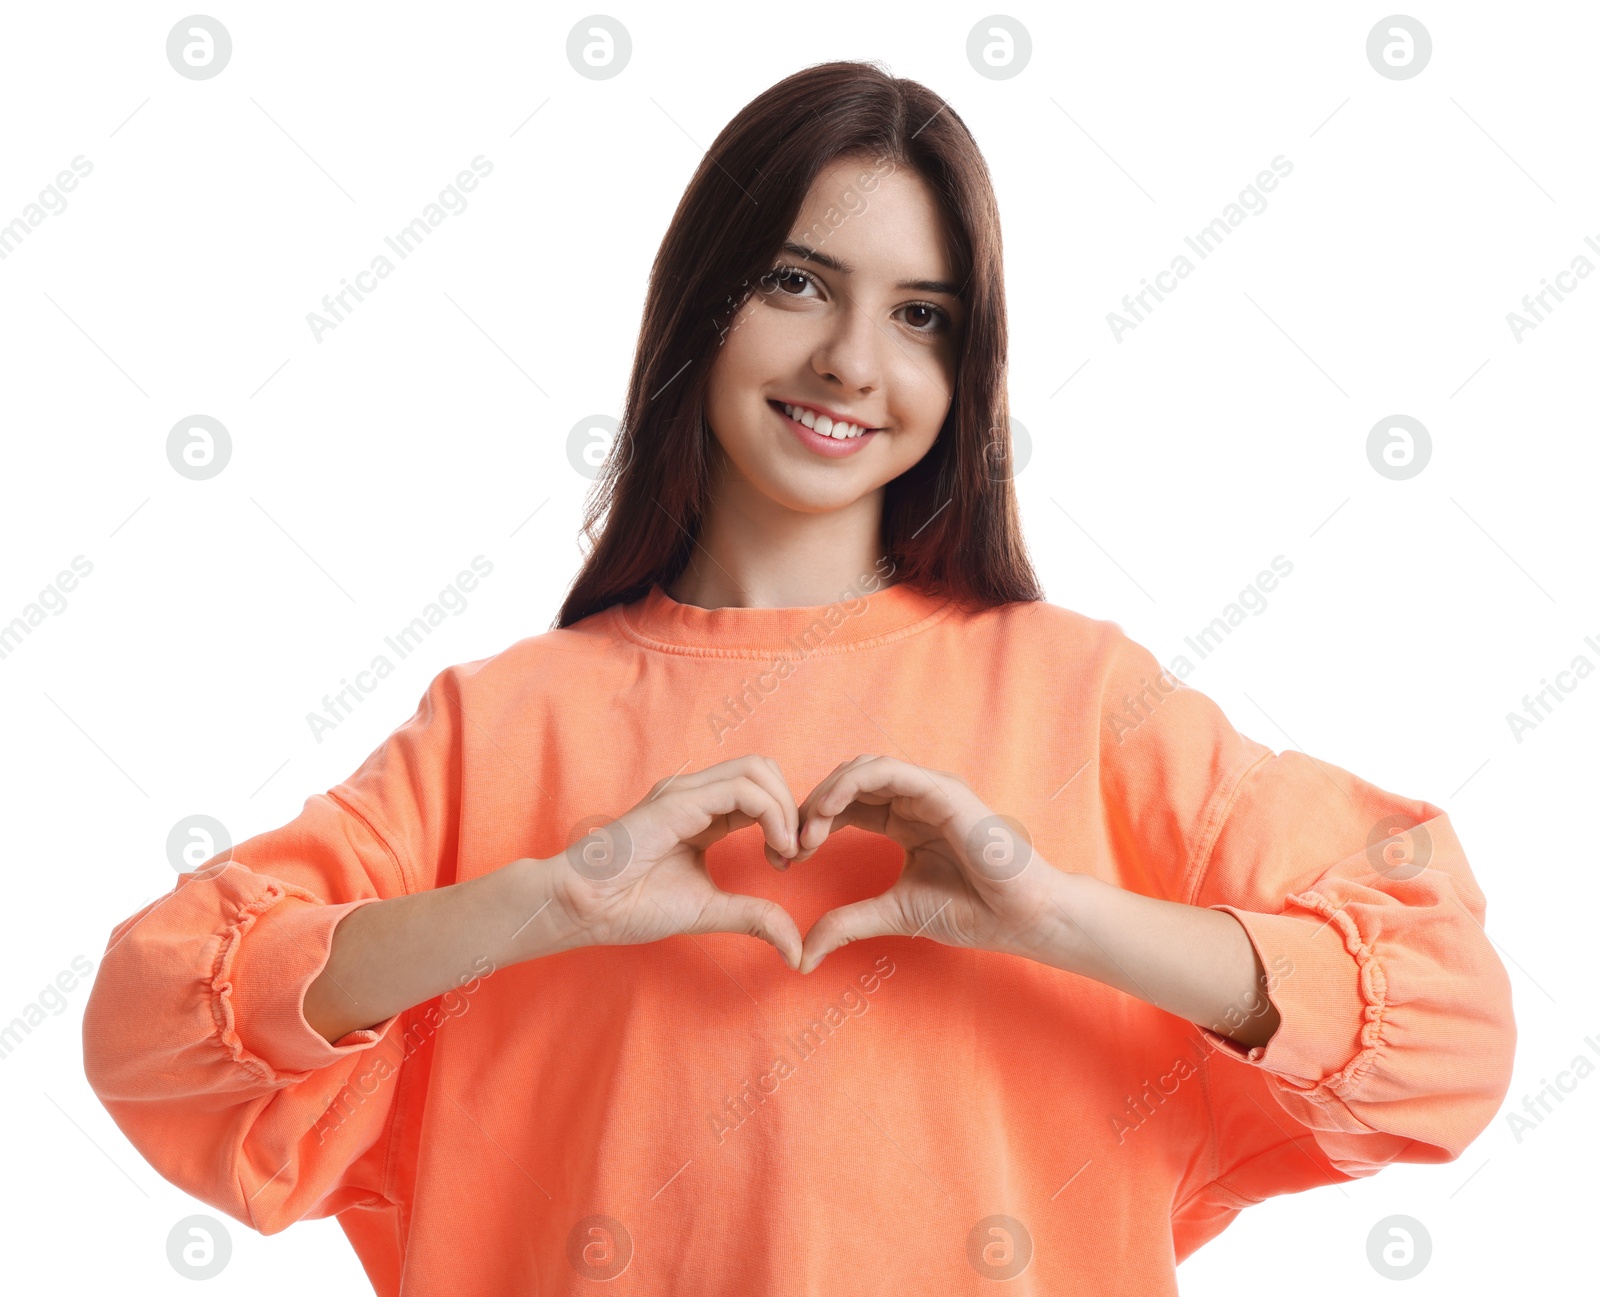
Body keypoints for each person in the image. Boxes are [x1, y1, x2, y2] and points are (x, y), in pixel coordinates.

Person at [82, 60, 1516, 1295]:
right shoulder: (495, 726)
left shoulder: (1084, 699)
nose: (850, 360)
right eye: (798, 283)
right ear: (704, 301)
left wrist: (1060, 913)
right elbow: (155, 1026)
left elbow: (1448, 1028)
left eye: (923, 315)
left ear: (970, 368)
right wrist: (540, 901)